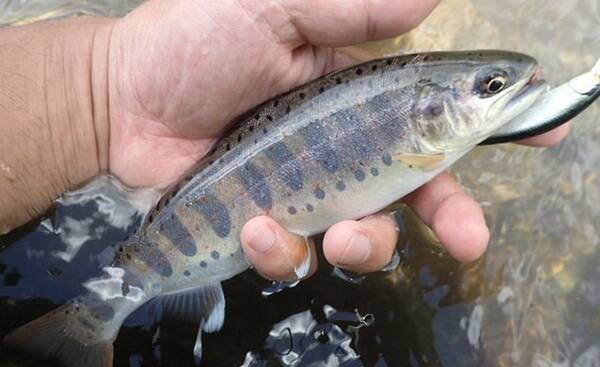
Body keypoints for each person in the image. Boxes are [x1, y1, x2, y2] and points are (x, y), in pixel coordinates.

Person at [0, 0, 569, 281]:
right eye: (491, 87)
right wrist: (104, 86)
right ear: (431, 108)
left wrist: (100, 87)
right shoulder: (422, 138)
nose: (504, 88)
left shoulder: (429, 135)